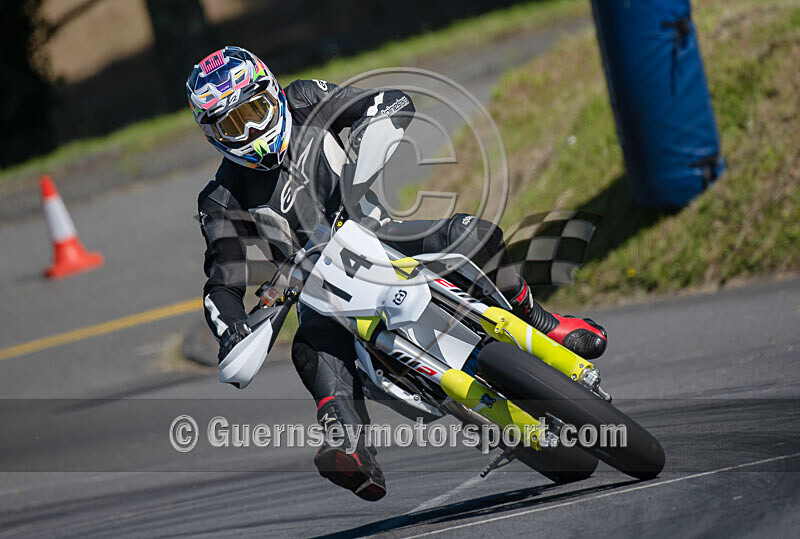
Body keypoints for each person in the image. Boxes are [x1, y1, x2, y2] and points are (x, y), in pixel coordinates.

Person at [188, 46, 607, 501]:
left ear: (273, 91)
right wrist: (231, 328)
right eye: (233, 124)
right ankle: (346, 442)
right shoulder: (221, 199)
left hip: (380, 233)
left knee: (473, 232)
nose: (250, 129)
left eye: (256, 110)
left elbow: (384, 101)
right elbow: (222, 283)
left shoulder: (306, 99)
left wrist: (371, 141)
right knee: (310, 345)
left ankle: (543, 322)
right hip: (319, 292)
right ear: (214, 136)